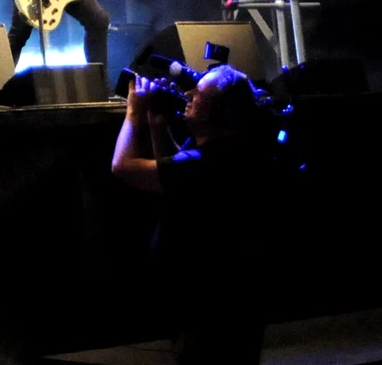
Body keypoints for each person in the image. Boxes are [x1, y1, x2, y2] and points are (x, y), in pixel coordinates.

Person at [111, 62, 273, 365]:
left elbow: (123, 167)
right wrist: (159, 125)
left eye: (198, 95)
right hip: (224, 301)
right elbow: (176, 180)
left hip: (210, 309)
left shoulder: (208, 162)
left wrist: (133, 113)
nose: (187, 96)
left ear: (219, 111)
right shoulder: (232, 151)